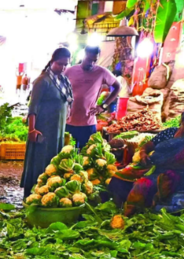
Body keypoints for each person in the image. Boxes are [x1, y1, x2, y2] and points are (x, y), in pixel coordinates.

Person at [109, 107, 184, 216]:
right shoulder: (169, 132)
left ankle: (129, 215)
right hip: (152, 166)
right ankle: (119, 208)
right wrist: (143, 153)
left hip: (175, 174)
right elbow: (147, 146)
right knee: (119, 176)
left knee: (142, 184)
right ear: (182, 121)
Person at [21, 48, 73, 198]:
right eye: (60, 64)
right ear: (52, 61)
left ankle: (47, 193)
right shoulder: (43, 81)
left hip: (57, 130)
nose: (62, 68)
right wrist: (32, 130)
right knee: (40, 161)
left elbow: (67, 101)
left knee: (53, 160)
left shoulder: (63, 80)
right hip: (44, 129)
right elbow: (33, 107)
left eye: (65, 65)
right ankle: (33, 194)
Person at [64, 46, 120, 150]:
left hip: (88, 123)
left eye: (94, 60)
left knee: (87, 156)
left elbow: (117, 87)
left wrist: (103, 106)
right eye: (89, 60)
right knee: (67, 154)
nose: (91, 63)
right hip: (69, 122)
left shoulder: (101, 72)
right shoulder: (70, 71)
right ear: (84, 55)